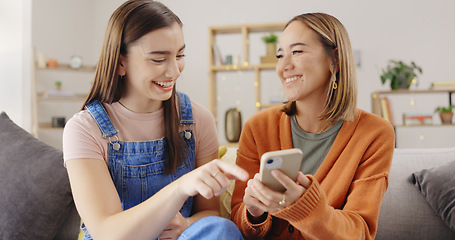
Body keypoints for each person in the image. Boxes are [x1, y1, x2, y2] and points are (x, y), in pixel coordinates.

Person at [63, 1, 248, 239]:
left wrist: (187, 223)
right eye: (159, 60)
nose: (174, 71)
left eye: (180, 55)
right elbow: (106, 233)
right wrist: (181, 187)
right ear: (121, 62)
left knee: (222, 229)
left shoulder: (197, 120)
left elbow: (210, 213)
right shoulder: (84, 129)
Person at [230, 12, 395, 240]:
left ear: (334, 60)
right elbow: (237, 224)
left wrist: (304, 206)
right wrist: (253, 212)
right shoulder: (257, 127)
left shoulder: (375, 133)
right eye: (280, 55)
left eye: (297, 51)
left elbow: (360, 232)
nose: (284, 66)